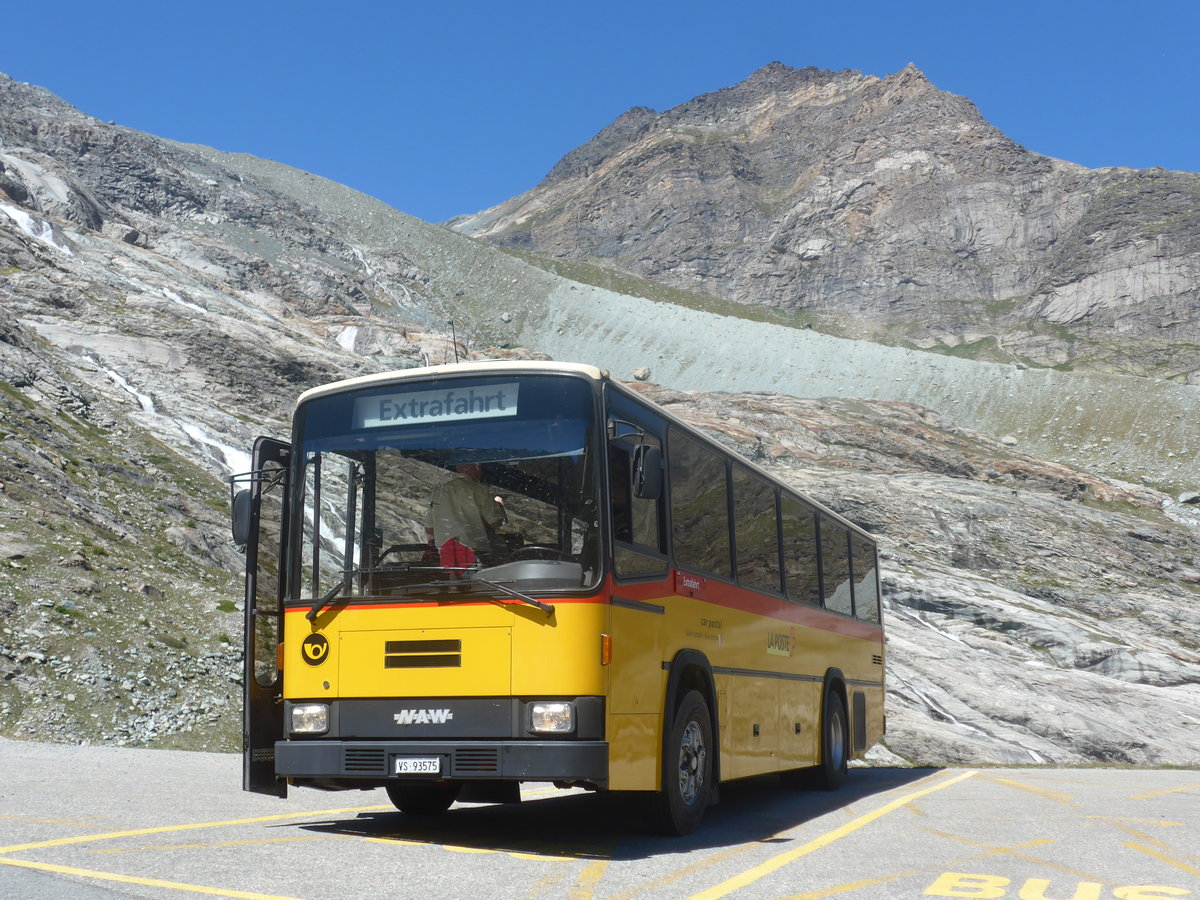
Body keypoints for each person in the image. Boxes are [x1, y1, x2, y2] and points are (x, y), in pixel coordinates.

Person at [424, 463, 505, 568]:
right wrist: (499, 506)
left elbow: (430, 529)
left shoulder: (438, 492)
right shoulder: (480, 490)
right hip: (476, 556)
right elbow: (495, 522)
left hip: (447, 557)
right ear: (477, 468)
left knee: (455, 582)